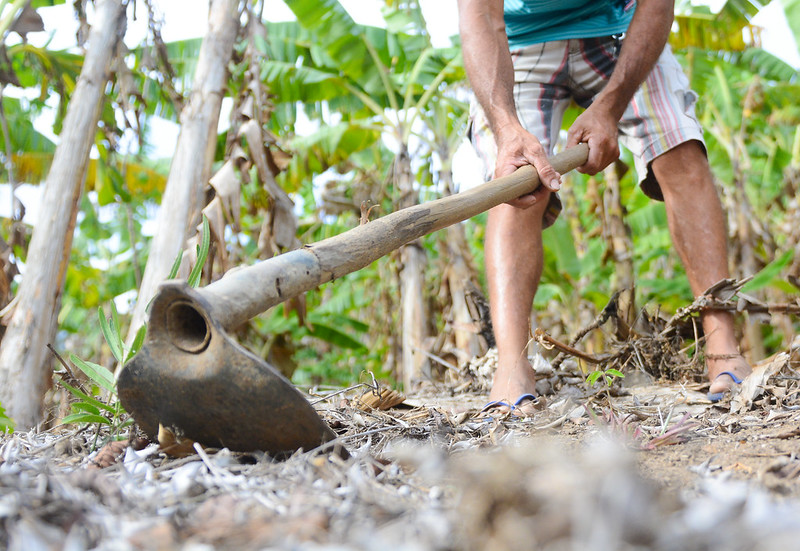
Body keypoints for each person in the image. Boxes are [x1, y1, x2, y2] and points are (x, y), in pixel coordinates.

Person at [457, 0, 752, 413]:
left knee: (679, 151)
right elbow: (481, 17)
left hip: (622, 31)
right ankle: (511, 364)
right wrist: (507, 129)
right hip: (520, 44)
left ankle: (722, 348)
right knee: (515, 182)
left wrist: (610, 107)